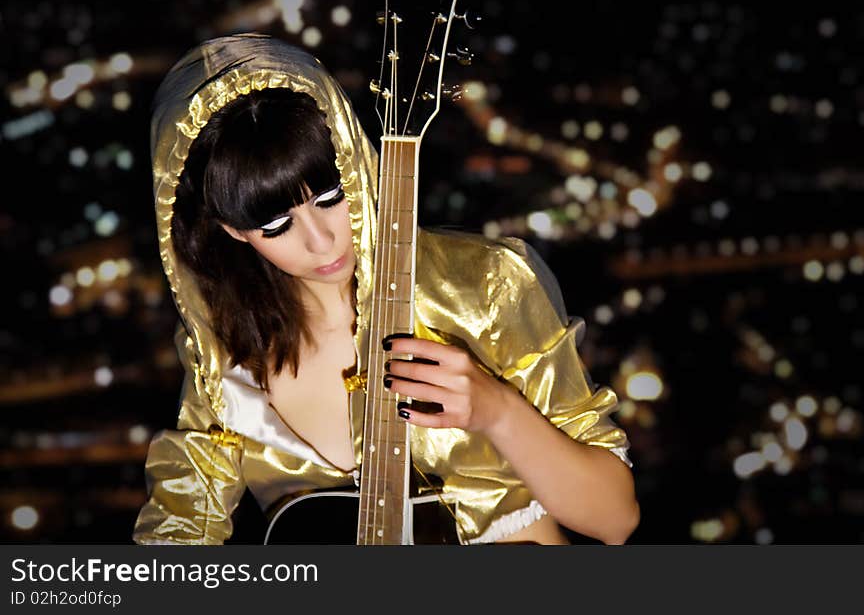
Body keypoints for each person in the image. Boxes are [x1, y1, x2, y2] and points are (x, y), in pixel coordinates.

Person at [133, 32, 639, 545]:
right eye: (276, 226)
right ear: (231, 230)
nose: (322, 239)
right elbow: (179, 527)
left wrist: (498, 411)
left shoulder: (482, 287)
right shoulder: (223, 357)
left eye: (331, 196)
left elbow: (614, 519)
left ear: (356, 161)